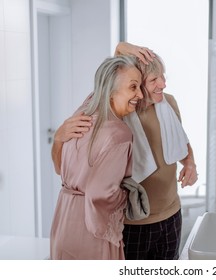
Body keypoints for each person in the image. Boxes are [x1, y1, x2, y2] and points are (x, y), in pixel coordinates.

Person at [51, 42, 198, 260]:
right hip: (132, 224)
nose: (163, 84)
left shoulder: (169, 104)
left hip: (170, 215)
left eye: (163, 76)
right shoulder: (119, 111)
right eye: (153, 79)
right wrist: (59, 138)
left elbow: (181, 139)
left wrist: (190, 163)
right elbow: (111, 78)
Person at [50, 55, 143, 260]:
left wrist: (58, 138)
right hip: (90, 229)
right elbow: (102, 194)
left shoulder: (81, 114)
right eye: (134, 87)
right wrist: (129, 194)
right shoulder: (120, 134)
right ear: (111, 90)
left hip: (63, 220)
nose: (141, 95)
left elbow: (59, 169)